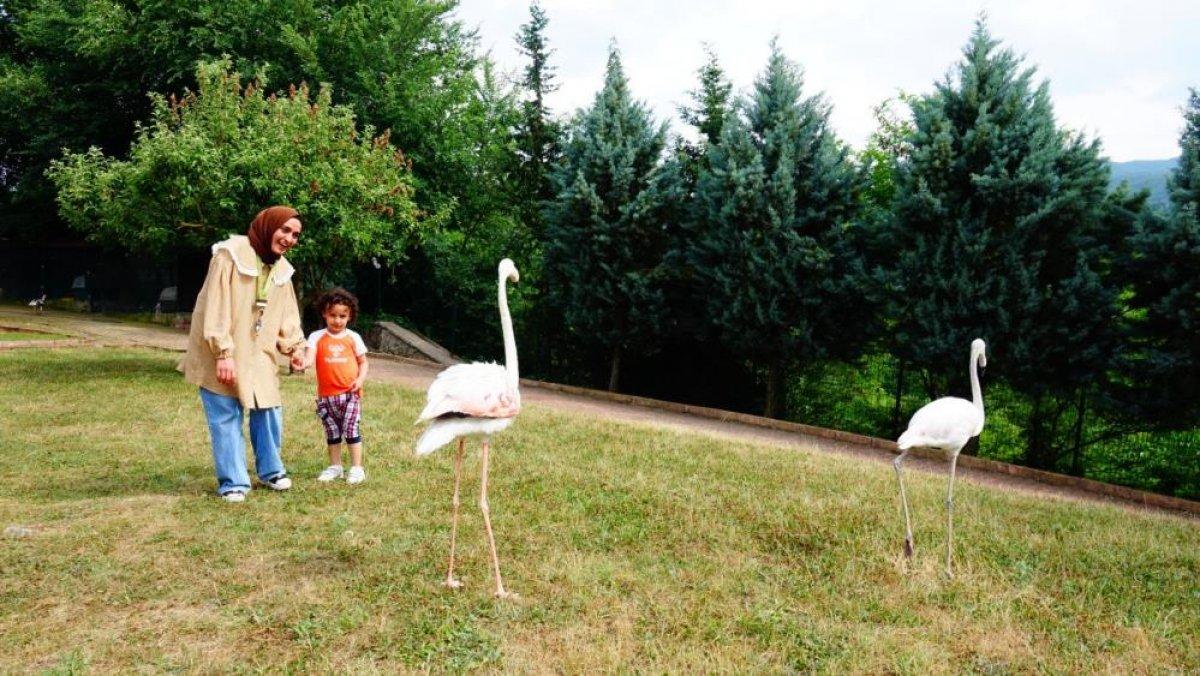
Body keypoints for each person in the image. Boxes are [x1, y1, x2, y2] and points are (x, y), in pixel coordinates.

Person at [179, 206, 307, 503]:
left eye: (296, 234)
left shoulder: (282, 269)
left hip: (259, 350)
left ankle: (271, 470)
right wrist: (223, 353)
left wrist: (295, 348)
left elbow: (287, 313)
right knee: (225, 413)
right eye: (285, 230)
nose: (290, 239)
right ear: (267, 225)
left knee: (269, 408)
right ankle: (233, 482)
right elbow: (216, 304)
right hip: (225, 348)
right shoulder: (230, 255)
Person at [305, 287, 370, 484]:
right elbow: (309, 357)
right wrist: (302, 362)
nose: (337, 320)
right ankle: (335, 467)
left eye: (342, 316)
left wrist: (359, 380)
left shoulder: (353, 337)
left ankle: (357, 468)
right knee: (332, 432)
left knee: (351, 430)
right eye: (332, 315)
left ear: (349, 316)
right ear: (324, 313)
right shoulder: (316, 337)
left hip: (350, 394)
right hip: (326, 397)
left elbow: (363, 362)